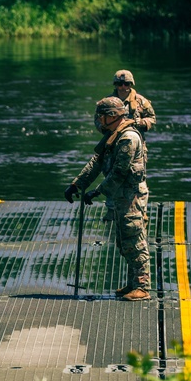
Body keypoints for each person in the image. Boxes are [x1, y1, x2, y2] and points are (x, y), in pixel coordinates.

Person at [64, 97, 150, 301]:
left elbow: (119, 172)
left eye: (101, 116)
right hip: (119, 198)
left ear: (112, 116)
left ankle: (143, 286)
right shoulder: (113, 135)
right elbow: (97, 161)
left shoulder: (128, 138)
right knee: (124, 241)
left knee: (134, 240)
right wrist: (77, 184)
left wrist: (98, 191)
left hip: (131, 198)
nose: (98, 120)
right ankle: (133, 283)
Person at [103, 70, 156, 221]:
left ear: (131, 84)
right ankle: (111, 210)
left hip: (137, 147)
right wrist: (106, 128)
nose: (123, 87)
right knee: (112, 176)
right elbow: (98, 119)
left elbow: (152, 118)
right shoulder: (108, 101)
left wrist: (142, 123)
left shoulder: (140, 101)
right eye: (120, 84)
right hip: (113, 146)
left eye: (126, 84)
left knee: (138, 178)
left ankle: (141, 210)